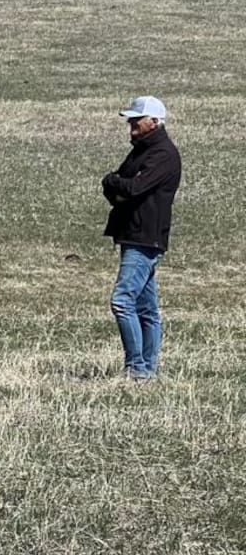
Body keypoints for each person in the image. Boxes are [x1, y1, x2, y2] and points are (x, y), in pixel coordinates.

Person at [101, 95, 182, 381]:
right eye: (131, 119)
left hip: (145, 237)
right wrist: (116, 186)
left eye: (137, 119)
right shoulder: (142, 150)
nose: (131, 124)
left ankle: (137, 369)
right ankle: (146, 371)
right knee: (146, 308)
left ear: (155, 121)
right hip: (135, 235)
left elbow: (132, 188)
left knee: (122, 301)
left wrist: (115, 184)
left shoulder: (162, 154)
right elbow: (117, 187)